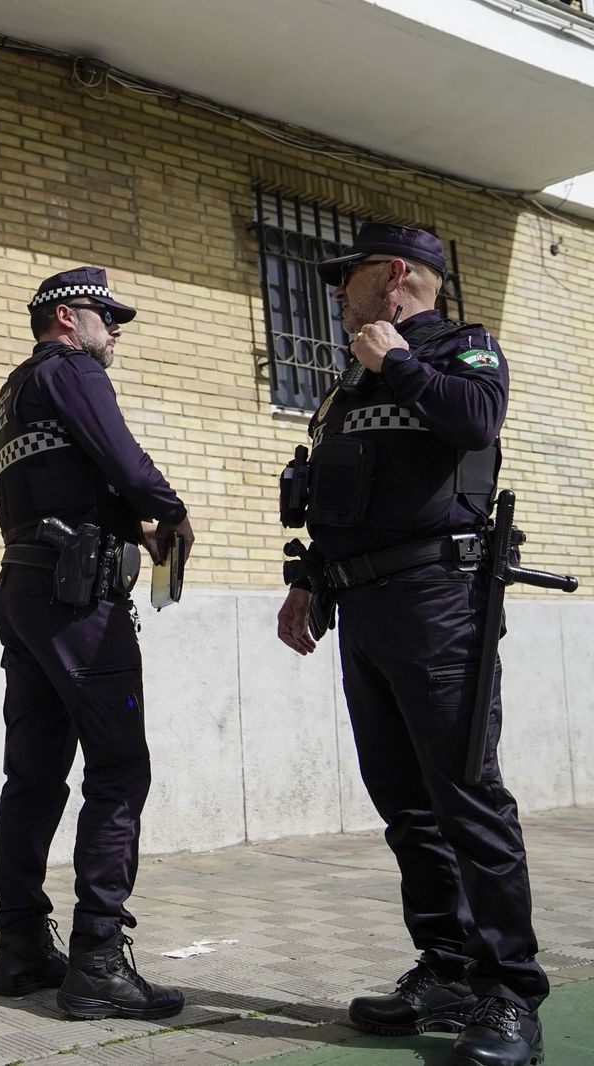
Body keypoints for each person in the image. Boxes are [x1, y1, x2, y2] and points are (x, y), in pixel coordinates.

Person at [275, 224, 544, 1066]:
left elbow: (477, 420)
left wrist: (400, 362)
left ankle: (510, 995)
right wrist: (310, 578)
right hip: (361, 604)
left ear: (394, 275)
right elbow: (341, 492)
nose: (335, 291)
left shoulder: (463, 349)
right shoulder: (349, 380)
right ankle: (447, 968)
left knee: (467, 796)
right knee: (405, 804)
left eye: (346, 275)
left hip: (438, 602)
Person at [0, 267, 194, 1020]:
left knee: (33, 775)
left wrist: (125, 521)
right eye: (110, 318)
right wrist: (169, 512)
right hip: (77, 600)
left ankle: (21, 948)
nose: (117, 333)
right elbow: (120, 455)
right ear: (69, 318)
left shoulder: (14, 392)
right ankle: (99, 959)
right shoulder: (70, 370)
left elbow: (61, 479)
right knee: (120, 767)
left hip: (26, 588)